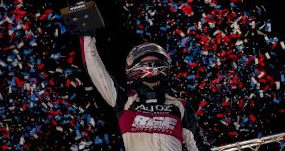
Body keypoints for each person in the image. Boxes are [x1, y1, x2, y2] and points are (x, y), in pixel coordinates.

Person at [80, 30, 210, 151]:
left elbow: (198, 145)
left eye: (155, 61)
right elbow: (98, 73)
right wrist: (87, 36)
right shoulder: (123, 100)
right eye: (146, 61)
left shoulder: (180, 106)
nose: (151, 65)